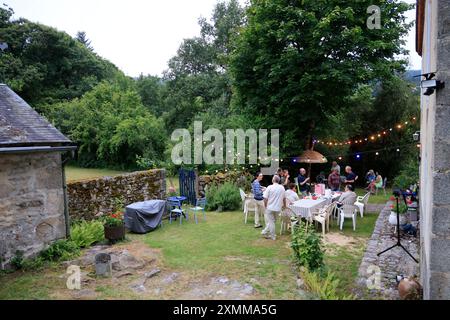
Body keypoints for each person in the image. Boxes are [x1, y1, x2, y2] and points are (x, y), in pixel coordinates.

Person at [262, 175, 286, 241]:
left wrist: (265, 206)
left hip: (270, 207)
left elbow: (265, 198)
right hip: (278, 208)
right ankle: (264, 232)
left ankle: (272, 236)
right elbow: (284, 198)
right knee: (272, 221)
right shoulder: (282, 187)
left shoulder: (269, 187)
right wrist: (285, 205)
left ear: (273, 180)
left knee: (271, 222)